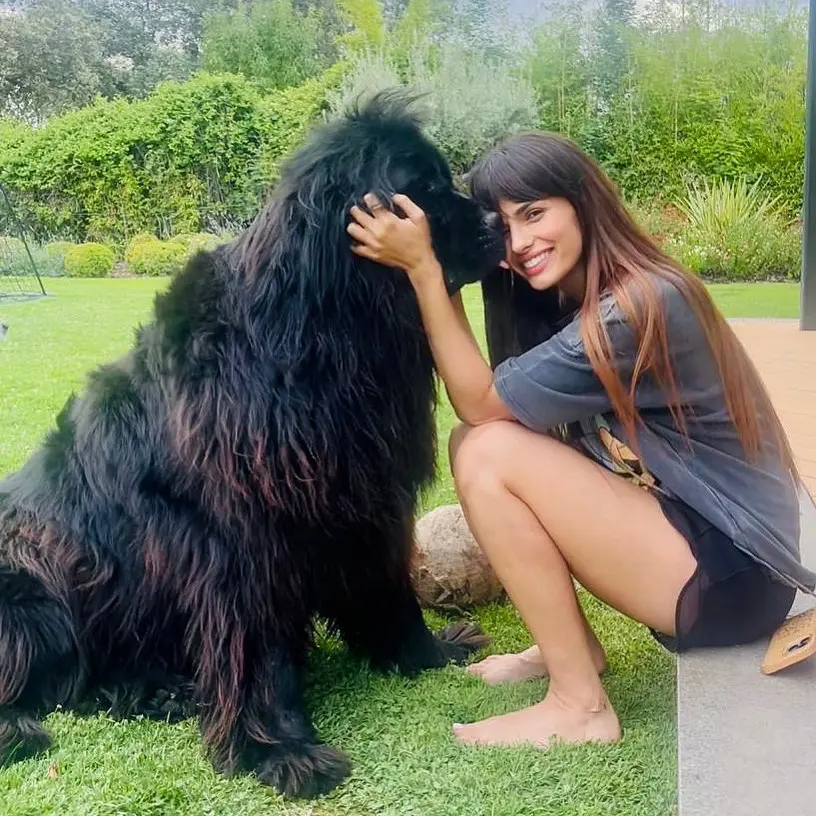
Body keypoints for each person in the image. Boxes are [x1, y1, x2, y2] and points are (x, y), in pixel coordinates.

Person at [346, 131, 816, 751]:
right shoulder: (578, 300)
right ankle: (570, 650)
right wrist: (454, 267)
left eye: (535, 213)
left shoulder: (638, 305)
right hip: (699, 542)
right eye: (504, 225)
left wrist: (428, 271)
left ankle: (580, 708)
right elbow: (502, 410)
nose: (520, 242)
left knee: (487, 449)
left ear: (582, 201)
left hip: (734, 577)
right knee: (477, 442)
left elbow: (483, 405)